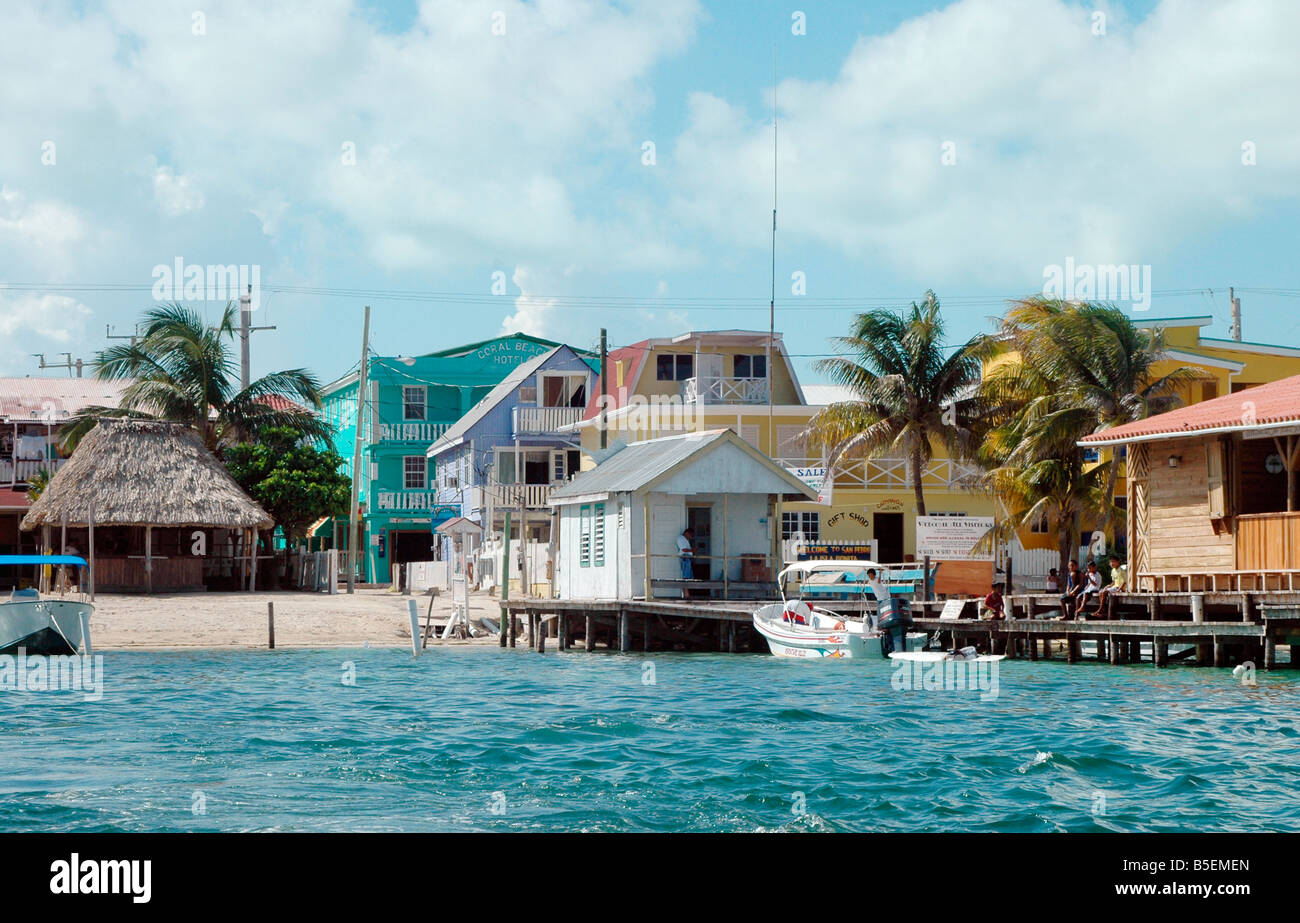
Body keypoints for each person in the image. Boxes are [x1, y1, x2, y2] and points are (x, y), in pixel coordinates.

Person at [1093, 554, 1127, 618]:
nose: (1112, 563)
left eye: (1113, 561)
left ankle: (1100, 610)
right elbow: (1114, 582)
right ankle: (1103, 609)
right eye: (1110, 562)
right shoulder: (1113, 571)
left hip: (1120, 588)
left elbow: (1124, 582)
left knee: (1104, 592)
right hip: (1115, 587)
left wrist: (1119, 589)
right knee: (1101, 591)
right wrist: (1108, 586)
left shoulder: (1121, 570)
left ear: (1118, 562)